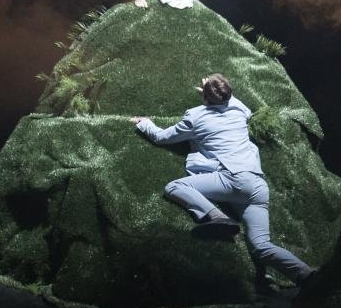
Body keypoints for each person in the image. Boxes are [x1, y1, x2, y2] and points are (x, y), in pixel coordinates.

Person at [129, 74, 314, 287]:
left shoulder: (195, 116)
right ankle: (307, 275)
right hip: (256, 185)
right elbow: (233, 103)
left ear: (205, 97)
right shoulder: (240, 109)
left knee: (175, 186)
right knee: (260, 245)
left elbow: (162, 137)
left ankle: (216, 216)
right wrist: (214, 94)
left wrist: (145, 123)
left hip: (231, 178)